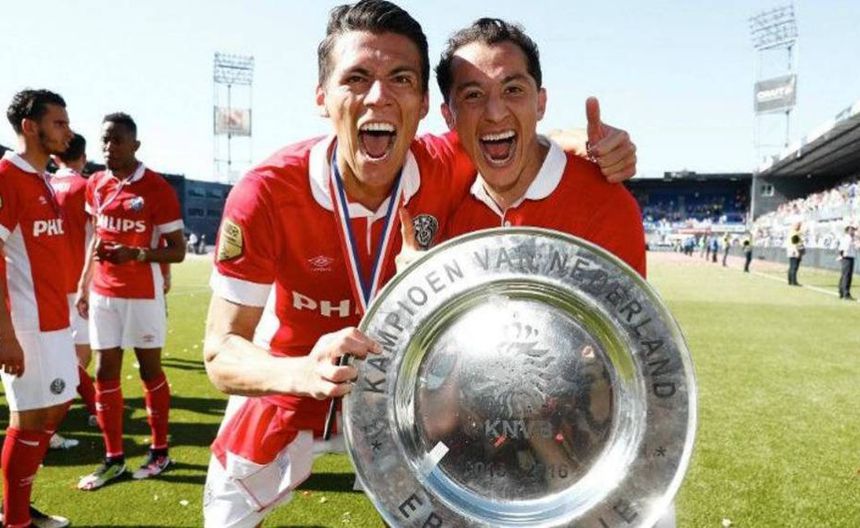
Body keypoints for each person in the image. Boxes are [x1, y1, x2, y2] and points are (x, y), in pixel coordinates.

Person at [201, 2, 638, 526]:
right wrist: (299, 372)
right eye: (356, 78)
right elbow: (220, 352)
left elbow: (512, 127)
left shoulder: (445, 163)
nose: (379, 97)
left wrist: (591, 146)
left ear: (426, 104)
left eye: (401, 79)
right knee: (225, 516)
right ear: (322, 97)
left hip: (404, 409)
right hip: (287, 395)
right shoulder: (267, 193)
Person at [431, 17, 676, 526]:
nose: (495, 111)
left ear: (540, 102)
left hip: (593, 463)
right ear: (449, 116)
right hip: (488, 476)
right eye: (473, 96)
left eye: (513, 90)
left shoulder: (604, 202)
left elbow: (622, 358)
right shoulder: (447, 202)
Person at [75, 112, 187, 491]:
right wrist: (83, 283)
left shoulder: (156, 188)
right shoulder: (96, 183)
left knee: (149, 371)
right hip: (104, 293)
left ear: (135, 145)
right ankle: (113, 459)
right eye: (105, 140)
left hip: (143, 295)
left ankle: (160, 452)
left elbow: (177, 250)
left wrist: (136, 254)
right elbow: (95, 237)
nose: (109, 147)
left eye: (117, 140)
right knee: (105, 372)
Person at [0, 89, 75, 528]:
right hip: (26, 323)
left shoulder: (42, 177)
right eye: (58, 123)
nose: (68, 131)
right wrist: (5, 334)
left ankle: (14, 504)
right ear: (30, 127)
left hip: (54, 319)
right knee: (29, 418)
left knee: (56, 406)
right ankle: (15, 520)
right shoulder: (7, 176)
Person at [48, 133, 100, 451]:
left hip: (46, 285)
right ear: (84, 157)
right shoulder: (88, 187)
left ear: (56, 158)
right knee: (77, 356)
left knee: (65, 355)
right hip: (81, 284)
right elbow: (98, 238)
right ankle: (53, 423)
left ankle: (92, 408)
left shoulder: (44, 185)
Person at [837, 224, 856, 300]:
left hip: (846, 257)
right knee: (847, 276)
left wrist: (840, 256)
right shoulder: (848, 238)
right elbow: (843, 248)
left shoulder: (847, 238)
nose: (854, 231)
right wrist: (841, 255)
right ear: (849, 230)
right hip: (847, 258)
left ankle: (841, 291)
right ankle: (846, 293)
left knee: (844, 275)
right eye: (852, 230)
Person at [786, 221, 804, 286]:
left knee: (791, 266)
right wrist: (797, 252)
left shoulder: (792, 232)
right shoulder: (795, 233)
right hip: (794, 251)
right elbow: (795, 243)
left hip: (791, 251)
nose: (799, 227)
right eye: (798, 225)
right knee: (794, 267)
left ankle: (790, 281)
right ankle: (793, 281)